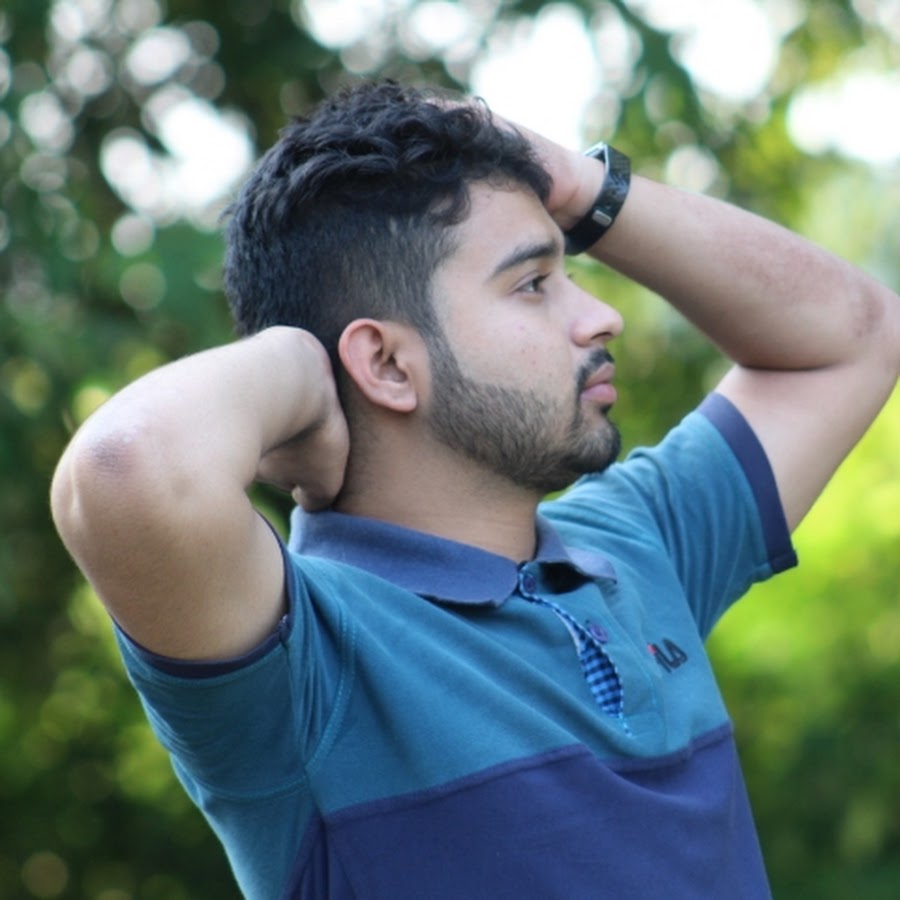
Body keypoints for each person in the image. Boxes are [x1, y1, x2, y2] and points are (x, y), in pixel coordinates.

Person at [51, 80, 899, 899]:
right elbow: (127, 469)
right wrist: (301, 372)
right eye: (533, 285)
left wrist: (585, 188)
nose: (601, 318)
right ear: (386, 363)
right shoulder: (309, 661)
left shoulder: (638, 542)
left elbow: (856, 336)